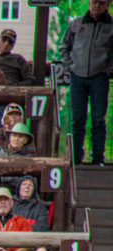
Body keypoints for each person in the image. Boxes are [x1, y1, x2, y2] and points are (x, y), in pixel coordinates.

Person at [60, 0, 113, 166]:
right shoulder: (77, 24)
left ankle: (98, 159)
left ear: (107, 5)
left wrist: (108, 70)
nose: (96, 6)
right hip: (78, 77)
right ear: (89, 4)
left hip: (100, 77)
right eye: (94, 2)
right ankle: (76, 158)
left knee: (98, 119)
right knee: (77, 119)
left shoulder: (111, 26)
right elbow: (64, 46)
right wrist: (69, 66)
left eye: (101, 3)